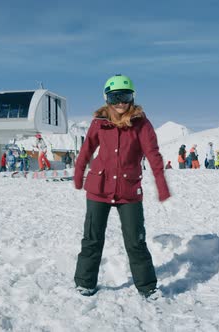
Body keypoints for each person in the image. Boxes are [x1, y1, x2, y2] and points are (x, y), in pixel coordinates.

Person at [73, 74, 170, 299]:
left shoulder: (142, 124)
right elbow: (87, 150)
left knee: (135, 240)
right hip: (98, 188)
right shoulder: (99, 123)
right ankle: (85, 282)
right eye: (115, 97)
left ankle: (147, 286)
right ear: (107, 98)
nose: (120, 103)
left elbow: (153, 155)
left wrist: (161, 185)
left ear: (132, 98)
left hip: (129, 191)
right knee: (92, 238)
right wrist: (79, 175)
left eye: (125, 96)